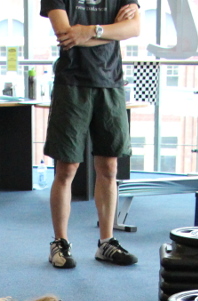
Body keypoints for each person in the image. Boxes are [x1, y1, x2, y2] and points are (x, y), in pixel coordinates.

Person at [41, 0, 140, 270]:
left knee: (109, 167)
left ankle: (106, 242)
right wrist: (110, 30)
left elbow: (133, 28)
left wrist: (89, 31)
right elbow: (65, 35)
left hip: (110, 83)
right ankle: (59, 243)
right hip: (72, 84)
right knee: (66, 168)